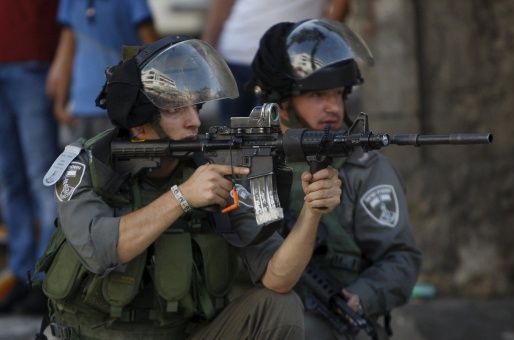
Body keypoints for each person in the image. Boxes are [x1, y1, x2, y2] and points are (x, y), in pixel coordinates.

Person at [37, 36, 342, 339]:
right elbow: (101, 250)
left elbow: (278, 277)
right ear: (139, 124)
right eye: (175, 109)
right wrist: (182, 197)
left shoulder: (208, 171)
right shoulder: (88, 167)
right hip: (92, 336)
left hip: (178, 334)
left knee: (279, 306)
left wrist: (311, 211)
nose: (194, 121)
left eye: (196, 106)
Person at [249, 19, 422, 339]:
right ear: (282, 101)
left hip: (332, 317)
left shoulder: (363, 167)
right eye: (317, 95)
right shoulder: (248, 161)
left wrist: (361, 297)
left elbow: (400, 258)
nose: (333, 107)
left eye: (339, 94)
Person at [0, 0, 61, 315]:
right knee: (12, 179)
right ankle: (22, 275)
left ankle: (44, 279)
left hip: (34, 62)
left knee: (43, 177)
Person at [201, 0, 349, 127]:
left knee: (271, 137)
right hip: (234, 55)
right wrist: (206, 51)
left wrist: (318, 44)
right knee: (229, 137)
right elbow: (223, 4)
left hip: (287, 65)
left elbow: (340, 5)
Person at [47, 0, 158, 146]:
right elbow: (67, 49)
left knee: (117, 166)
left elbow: (152, 51)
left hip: (121, 106)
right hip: (80, 107)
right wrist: (60, 102)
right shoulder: (70, 3)